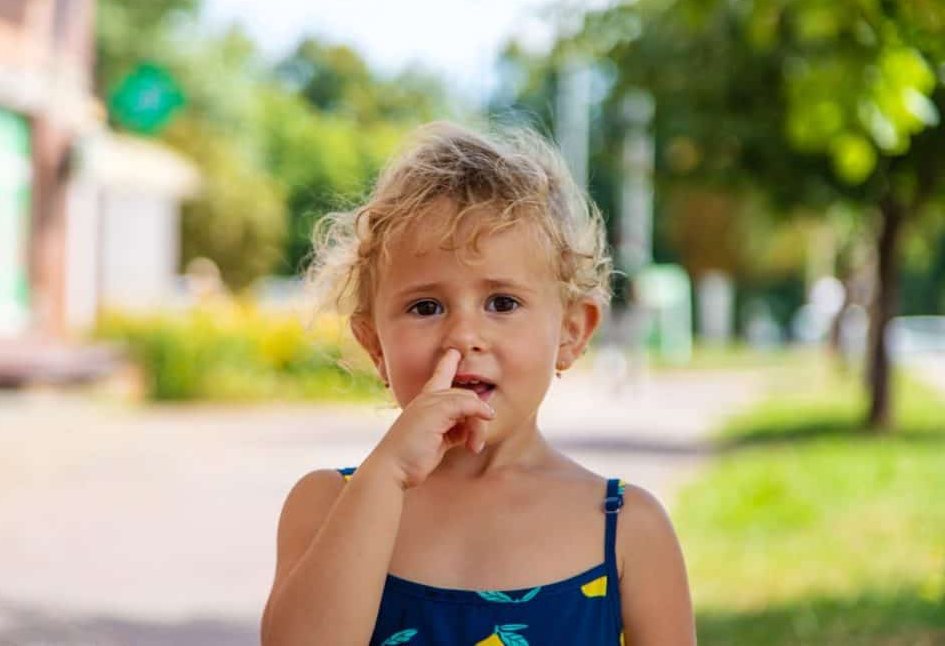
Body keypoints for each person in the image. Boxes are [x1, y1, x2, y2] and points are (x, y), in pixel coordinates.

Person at [260, 120, 696, 645]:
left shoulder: (629, 528)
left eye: (502, 303)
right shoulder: (329, 503)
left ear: (572, 333)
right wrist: (388, 472)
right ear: (375, 344)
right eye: (426, 307)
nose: (463, 335)